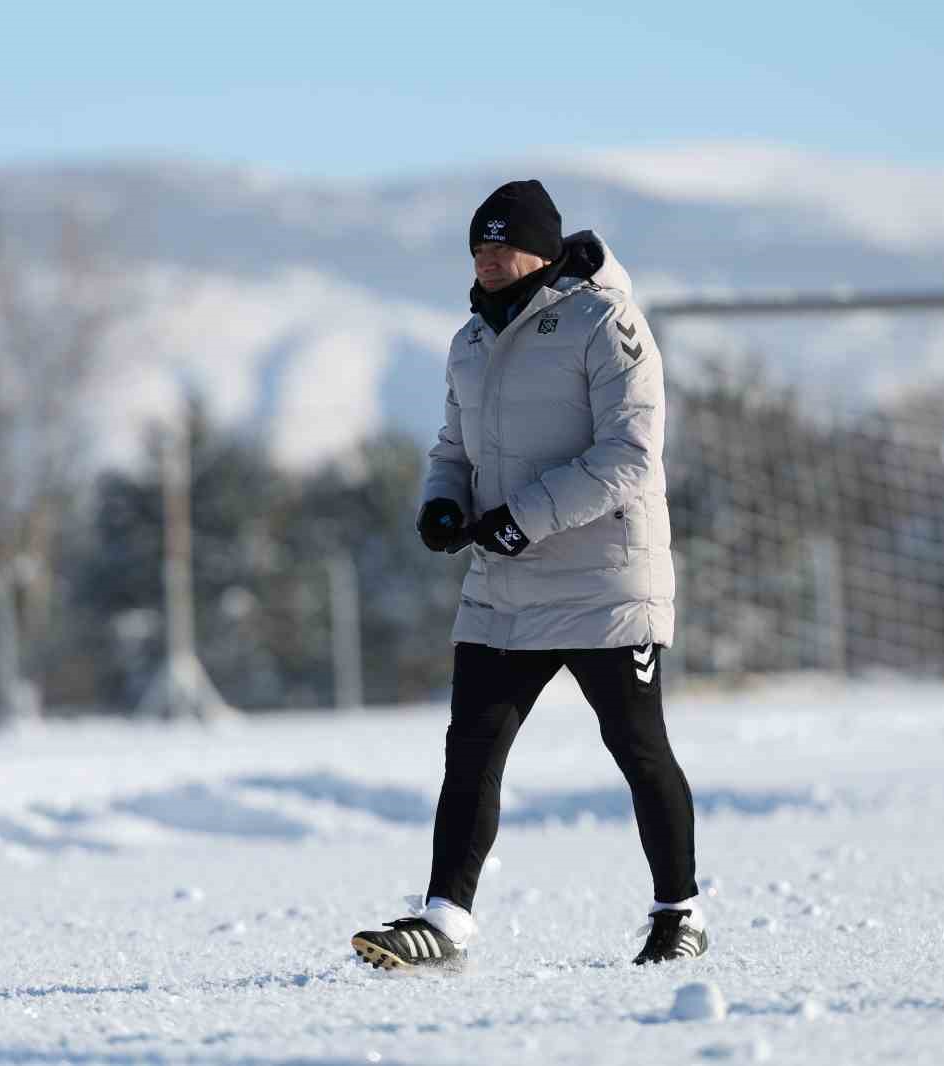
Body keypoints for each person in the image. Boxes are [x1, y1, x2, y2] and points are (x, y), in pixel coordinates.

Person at [350, 179, 705, 970]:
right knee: (470, 751)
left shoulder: (605, 324)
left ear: (543, 253)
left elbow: (628, 457)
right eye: (480, 247)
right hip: (505, 586)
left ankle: (678, 912)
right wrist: (443, 503)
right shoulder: (469, 342)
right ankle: (444, 923)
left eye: (504, 246)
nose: (490, 260)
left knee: (638, 747)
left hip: (604, 582)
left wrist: (522, 519)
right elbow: (452, 447)